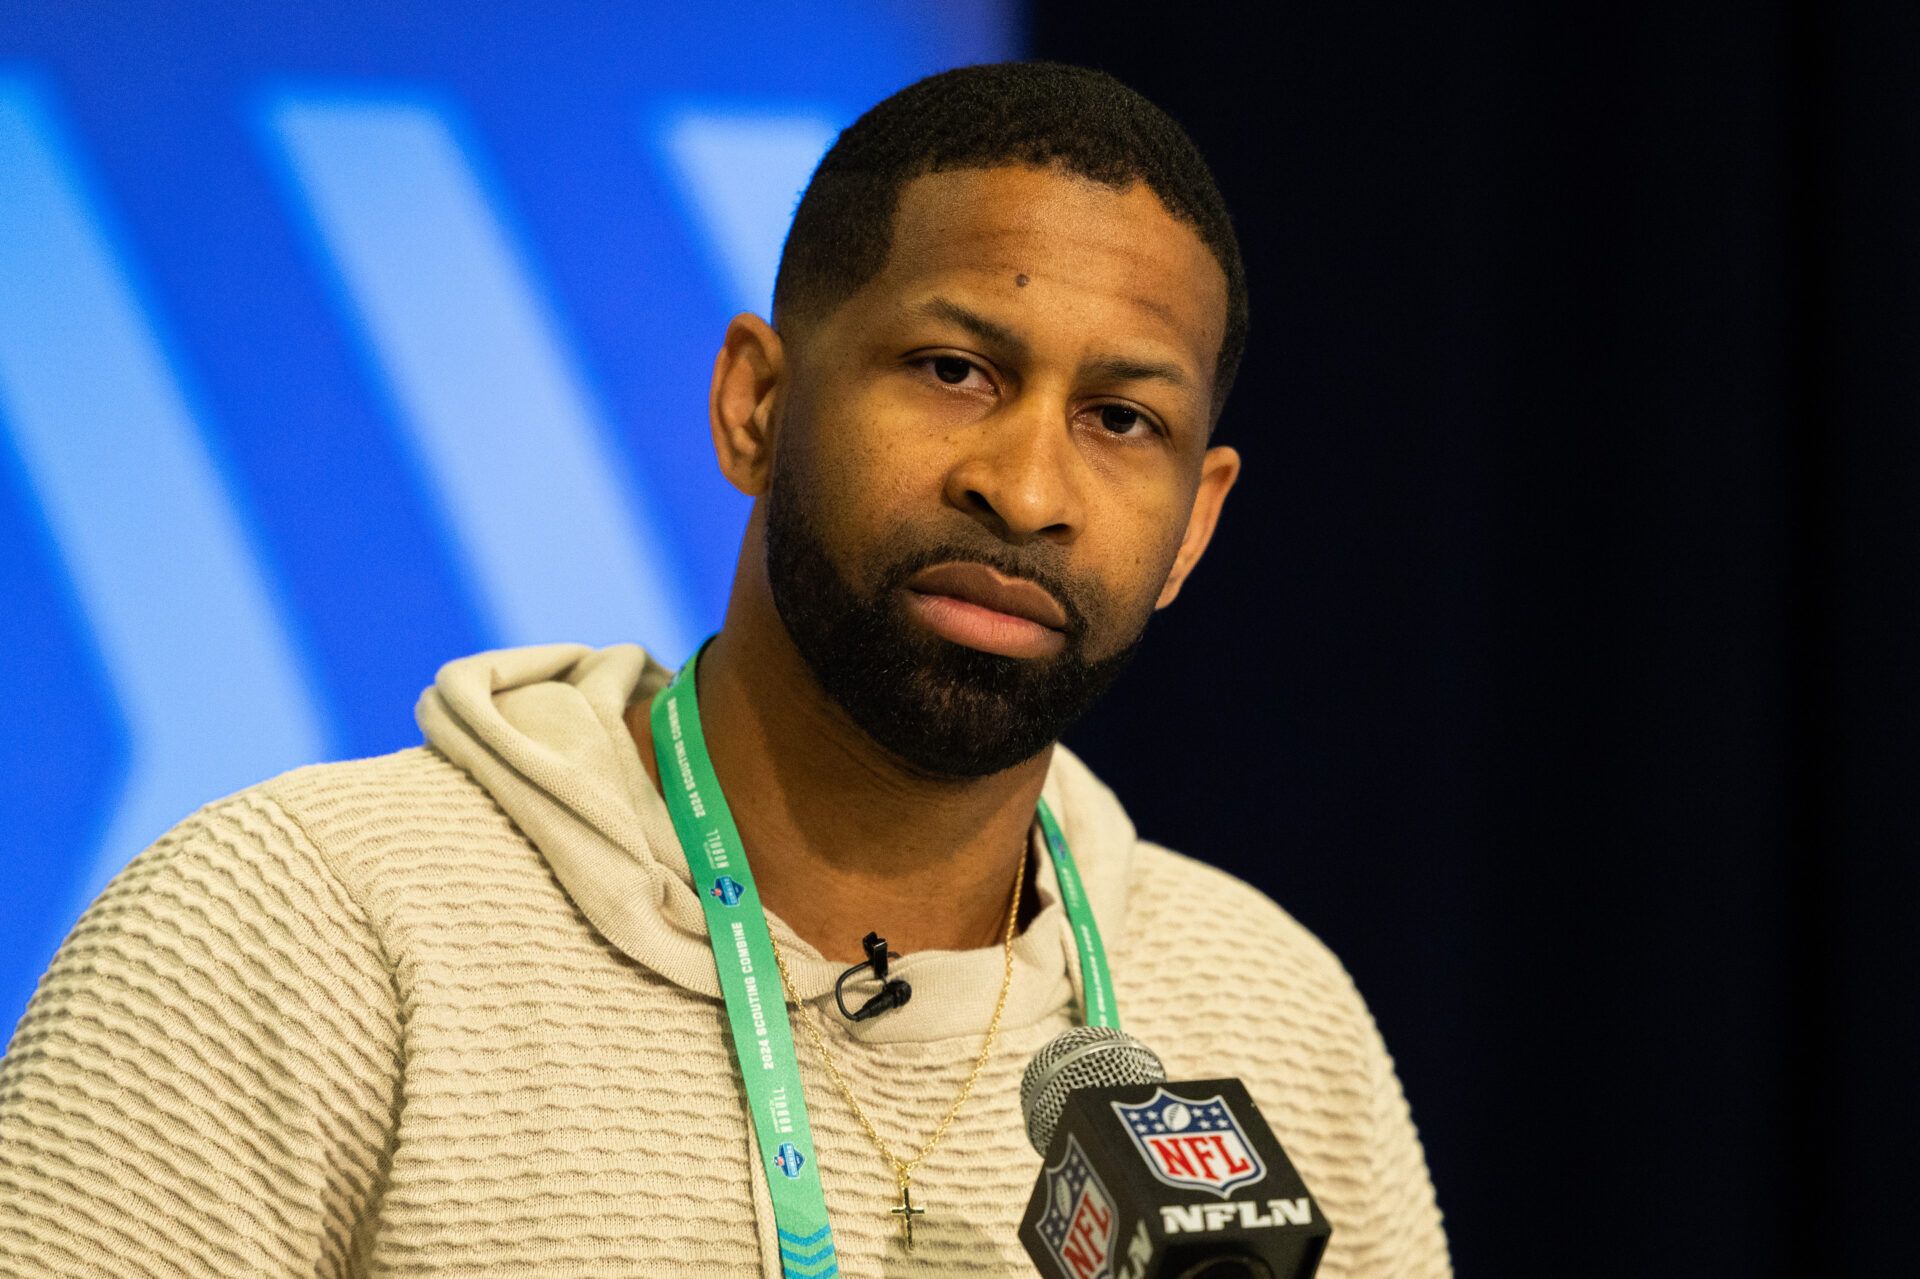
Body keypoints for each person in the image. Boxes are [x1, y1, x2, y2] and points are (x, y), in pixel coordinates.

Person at [0, 63, 1449, 1277]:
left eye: (1122, 419)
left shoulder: (1273, 1012)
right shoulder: (306, 925)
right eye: (955, 371)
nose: (1025, 490)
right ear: (756, 403)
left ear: (1194, 527)